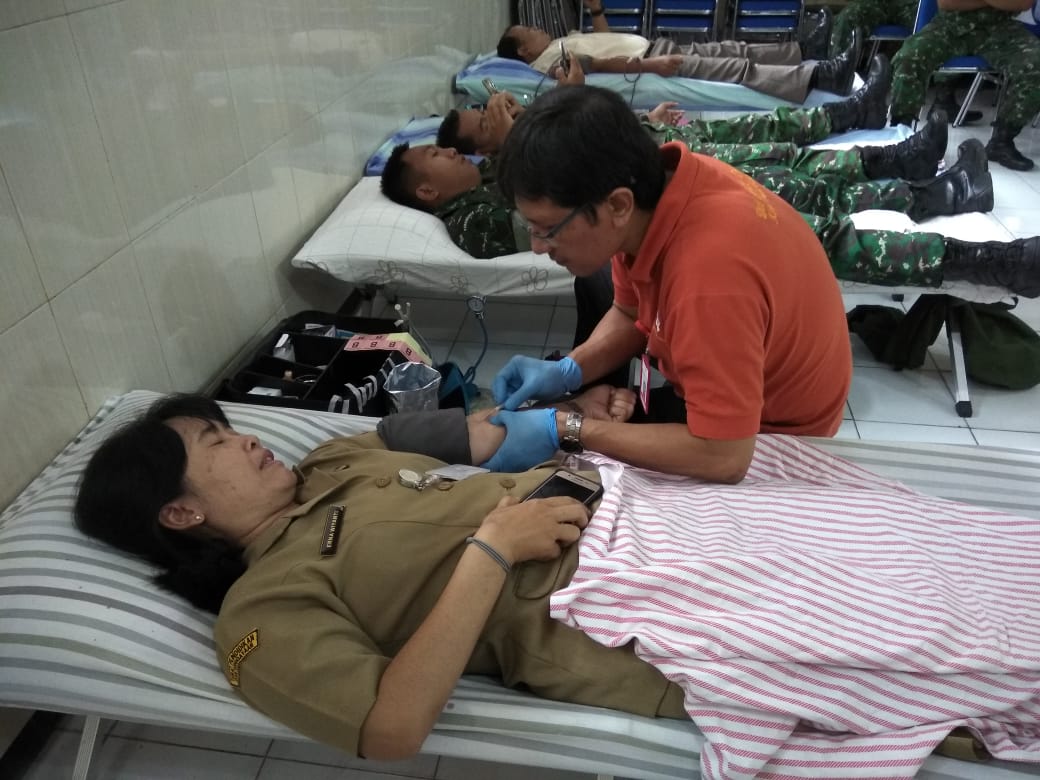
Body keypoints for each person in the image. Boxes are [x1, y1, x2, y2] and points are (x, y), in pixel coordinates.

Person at [73, 390, 689, 762]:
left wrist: (571, 415)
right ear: (181, 512)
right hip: (625, 598)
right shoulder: (263, 606)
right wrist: (492, 551)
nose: (248, 439)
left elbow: (483, 432)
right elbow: (391, 729)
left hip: (644, 502)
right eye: (217, 443)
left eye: (233, 429)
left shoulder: (330, 460)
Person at [485, 85, 1040, 481]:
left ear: (616, 205)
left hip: (775, 436)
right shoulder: (663, 191)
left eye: (546, 229)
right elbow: (631, 313)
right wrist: (570, 368)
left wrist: (570, 428)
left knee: (590, 467)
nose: (537, 246)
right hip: (740, 388)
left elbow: (724, 456)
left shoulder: (707, 279)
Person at [380, 96, 1025, 298]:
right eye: (440, 155)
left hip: (658, 183)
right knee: (821, 229)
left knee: (802, 187)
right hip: (655, 200)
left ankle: (931, 188)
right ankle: (982, 256)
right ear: (428, 190)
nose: (455, 154)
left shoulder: (503, 173)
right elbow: (557, 223)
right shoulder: (477, 218)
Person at [498, 3, 863, 102]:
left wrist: (596, 11)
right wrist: (650, 65)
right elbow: (596, 64)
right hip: (652, 59)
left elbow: (604, 42)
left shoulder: (559, 42)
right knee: (735, 68)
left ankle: (804, 50)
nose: (537, 28)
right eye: (529, 31)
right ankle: (821, 76)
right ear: (523, 50)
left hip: (651, 46)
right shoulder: (548, 62)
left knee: (731, 48)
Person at [889, 0, 1040, 171]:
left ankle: (1002, 141)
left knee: (1036, 65)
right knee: (909, 57)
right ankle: (901, 132)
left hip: (1000, 29)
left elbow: (1022, 3)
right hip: (951, 26)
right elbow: (947, 3)